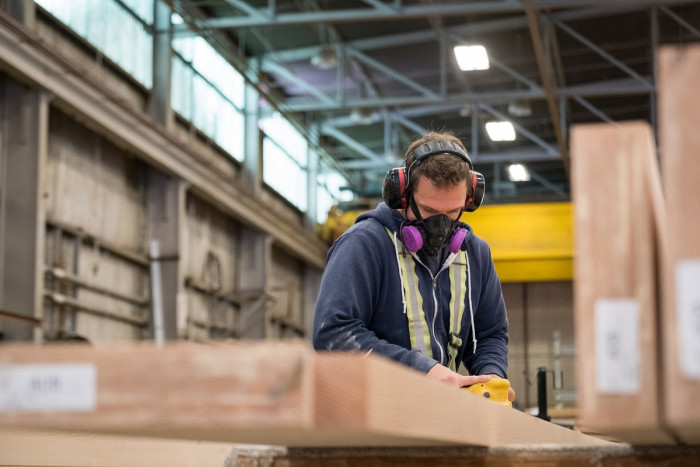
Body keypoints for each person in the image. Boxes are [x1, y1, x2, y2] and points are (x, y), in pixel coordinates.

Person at [313, 131, 513, 401]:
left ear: (469, 200)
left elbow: (489, 334)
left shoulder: (475, 254)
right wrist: (421, 370)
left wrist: (491, 376)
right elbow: (334, 335)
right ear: (403, 195)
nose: (442, 226)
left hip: (437, 415)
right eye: (429, 211)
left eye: (453, 212)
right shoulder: (363, 245)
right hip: (370, 414)